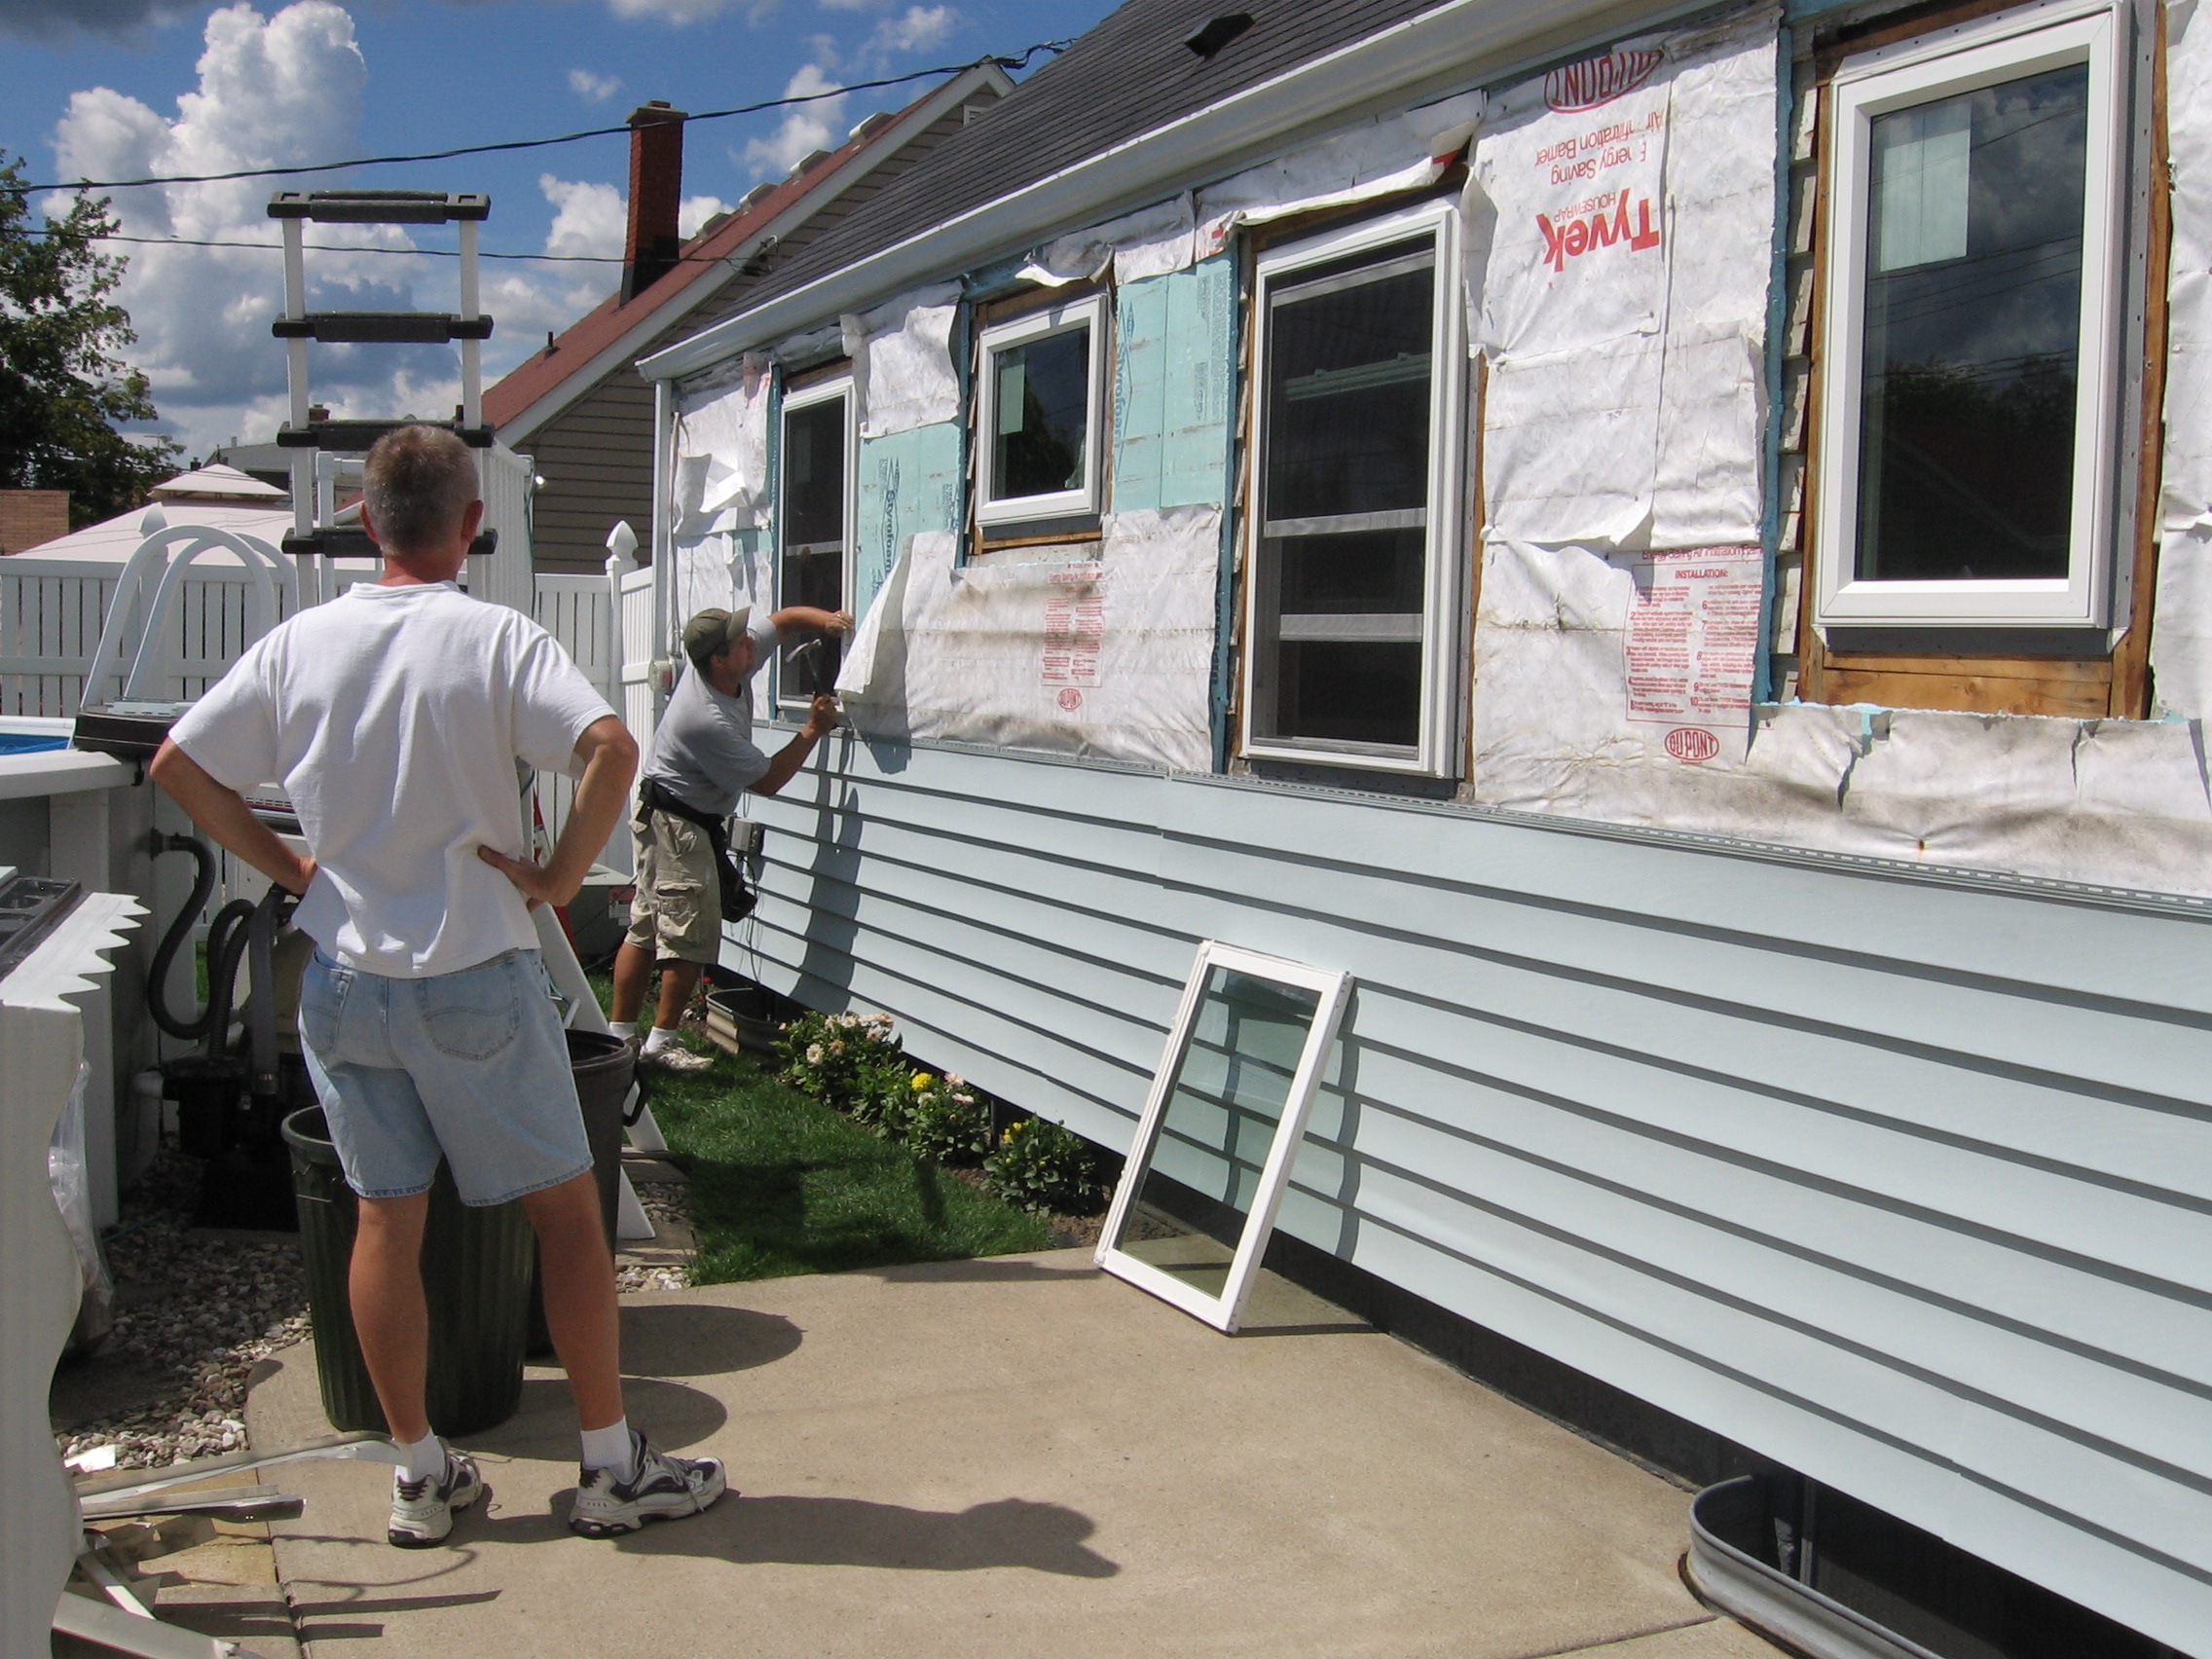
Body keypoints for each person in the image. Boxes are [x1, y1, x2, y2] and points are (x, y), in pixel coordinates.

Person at [149, 425, 723, 1548]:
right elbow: (611, 749)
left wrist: (291, 870)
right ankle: (608, 1468)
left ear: (368, 522)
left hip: (346, 982)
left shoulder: (299, 645)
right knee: (566, 1221)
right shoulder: (495, 637)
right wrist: (559, 876)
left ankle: (419, 1473)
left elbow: (179, 764)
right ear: (470, 525)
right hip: (471, 975)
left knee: (385, 1220)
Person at [608, 601, 848, 1070]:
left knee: (645, 926)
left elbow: (781, 622)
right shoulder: (704, 718)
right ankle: (659, 1045)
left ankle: (619, 1040)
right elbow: (766, 780)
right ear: (718, 660)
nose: (751, 643)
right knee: (686, 937)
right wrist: (813, 729)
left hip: (667, 816)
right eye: (741, 642)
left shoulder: (730, 662)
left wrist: (827, 622)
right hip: (678, 824)